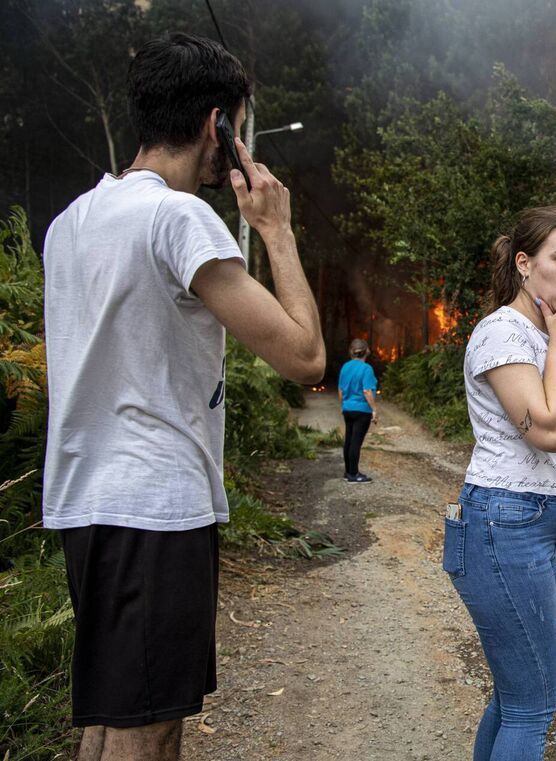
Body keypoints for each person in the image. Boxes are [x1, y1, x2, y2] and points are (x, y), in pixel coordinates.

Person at [42, 33, 324, 761]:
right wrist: (276, 232)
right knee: (149, 726)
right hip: (156, 506)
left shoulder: (71, 222)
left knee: (109, 718)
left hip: (86, 501)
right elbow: (304, 356)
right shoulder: (176, 217)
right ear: (217, 127)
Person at [445, 205, 556, 761]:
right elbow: (546, 429)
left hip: (536, 525)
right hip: (504, 521)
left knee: (514, 697)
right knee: (533, 706)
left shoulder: (552, 337)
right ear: (524, 264)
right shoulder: (501, 332)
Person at [339, 338, 379, 483]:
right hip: (362, 410)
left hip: (348, 408)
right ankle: (354, 475)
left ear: (351, 352)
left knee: (349, 440)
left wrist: (343, 405)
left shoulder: (345, 367)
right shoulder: (366, 369)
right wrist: (374, 409)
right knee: (356, 442)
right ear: (366, 352)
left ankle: (348, 472)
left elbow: (340, 390)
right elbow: (367, 391)